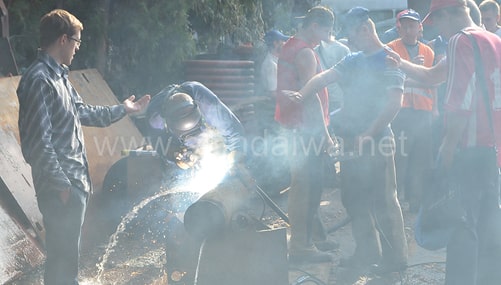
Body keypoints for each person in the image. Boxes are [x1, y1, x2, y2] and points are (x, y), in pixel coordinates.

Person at [16, 9, 151, 285]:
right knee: (62, 266)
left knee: (67, 263)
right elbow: (38, 143)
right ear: (64, 39)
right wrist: (62, 187)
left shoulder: (60, 77)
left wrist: (122, 110)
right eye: (77, 42)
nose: (78, 49)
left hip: (73, 184)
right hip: (61, 188)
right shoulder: (39, 79)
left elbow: (84, 112)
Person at [283, 6, 409, 274]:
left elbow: (394, 104)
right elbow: (322, 78)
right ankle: (367, 253)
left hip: (377, 142)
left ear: (364, 28)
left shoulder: (389, 59)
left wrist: (369, 133)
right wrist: (302, 94)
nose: (347, 40)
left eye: (350, 33)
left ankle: (394, 261)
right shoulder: (352, 59)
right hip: (352, 142)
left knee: (383, 201)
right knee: (353, 198)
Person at [389, 0, 501, 284]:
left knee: (461, 226)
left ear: (450, 14)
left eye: (436, 20)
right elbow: (431, 76)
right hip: (493, 150)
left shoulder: (460, 41)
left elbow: (459, 101)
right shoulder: (493, 40)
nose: (436, 28)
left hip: (468, 149)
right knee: (489, 227)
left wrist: (448, 147)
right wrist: (398, 62)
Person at [275, 5, 338, 263]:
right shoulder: (305, 53)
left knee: (309, 185)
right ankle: (301, 246)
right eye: (327, 30)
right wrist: (325, 135)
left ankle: (315, 238)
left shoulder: (292, 46)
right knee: (305, 187)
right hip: (304, 129)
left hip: (296, 126)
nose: (329, 35)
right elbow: (310, 98)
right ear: (315, 26)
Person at [386, 9, 436, 212]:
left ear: (419, 27)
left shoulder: (428, 51)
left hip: (424, 112)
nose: (408, 28)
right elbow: (388, 81)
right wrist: (414, 71)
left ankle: (416, 202)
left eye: (412, 25)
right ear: (399, 27)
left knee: (421, 158)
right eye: (404, 25)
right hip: (401, 111)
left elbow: (432, 82)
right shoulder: (390, 49)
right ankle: (394, 201)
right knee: (400, 157)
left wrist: (435, 109)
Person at [144, 81, 246, 170]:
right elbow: (160, 145)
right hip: (178, 145)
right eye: (186, 135)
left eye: (196, 130)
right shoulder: (155, 119)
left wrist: (234, 161)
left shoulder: (205, 102)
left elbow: (235, 132)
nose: (192, 136)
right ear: (169, 125)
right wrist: (175, 156)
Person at [315, 34, 350, 111]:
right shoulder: (313, 51)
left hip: (337, 100)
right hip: (325, 99)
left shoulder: (342, 49)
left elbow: (350, 78)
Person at [260, 30, 289, 98]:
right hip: (273, 106)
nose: (285, 44)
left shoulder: (276, 61)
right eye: (283, 41)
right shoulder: (271, 65)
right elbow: (273, 93)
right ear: (275, 43)